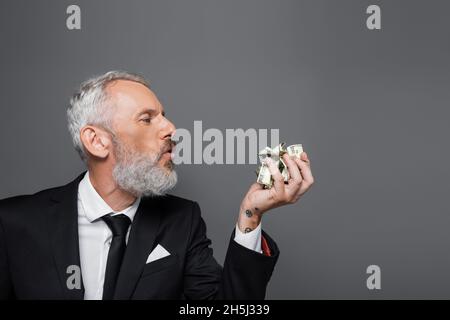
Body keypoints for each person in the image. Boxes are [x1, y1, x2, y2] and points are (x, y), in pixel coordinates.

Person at [0, 71, 314, 300]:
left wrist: (251, 216)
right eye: (147, 119)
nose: (171, 128)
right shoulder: (14, 223)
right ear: (96, 141)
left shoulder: (182, 221)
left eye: (164, 115)